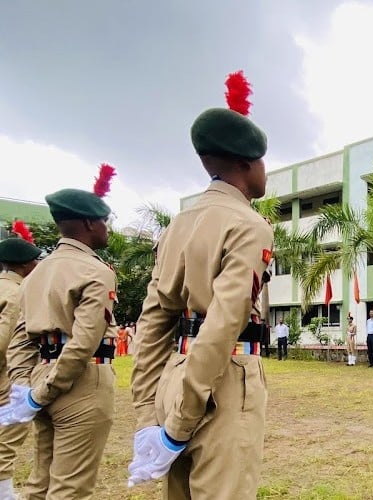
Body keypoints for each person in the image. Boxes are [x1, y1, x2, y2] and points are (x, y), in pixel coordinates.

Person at [127, 71, 274, 499]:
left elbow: (153, 320)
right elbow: (224, 324)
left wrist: (146, 415)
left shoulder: (178, 225)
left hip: (173, 375)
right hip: (223, 381)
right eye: (263, 162)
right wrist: (179, 424)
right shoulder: (249, 226)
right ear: (246, 164)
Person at [1, 187, 118, 500]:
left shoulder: (36, 275)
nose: (107, 229)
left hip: (41, 372)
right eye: (105, 222)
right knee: (71, 486)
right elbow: (84, 342)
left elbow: (19, 341)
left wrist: (25, 388)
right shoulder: (95, 271)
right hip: (82, 379)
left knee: (41, 481)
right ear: (90, 224)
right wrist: (42, 393)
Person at [0, 234, 41, 499]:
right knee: (5, 444)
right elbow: (5, 340)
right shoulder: (16, 293)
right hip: (6, 379)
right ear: (25, 264)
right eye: (36, 260)